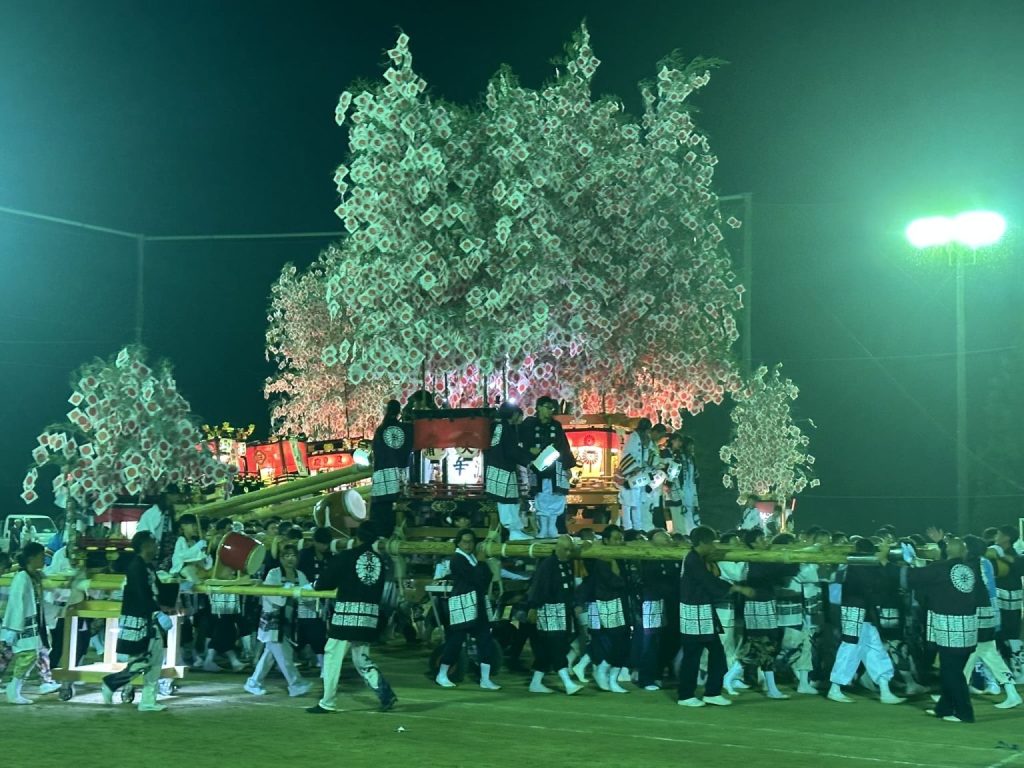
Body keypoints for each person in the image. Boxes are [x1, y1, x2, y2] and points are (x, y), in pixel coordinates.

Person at [307, 521, 397, 714]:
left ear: (356, 538)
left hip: (346, 617)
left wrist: (315, 584)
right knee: (361, 659)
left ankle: (327, 701)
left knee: (332, 655)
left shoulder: (346, 556)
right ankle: (385, 693)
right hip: (369, 617)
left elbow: (325, 583)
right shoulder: (380, 561)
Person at [677, 526, 756, 707]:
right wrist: (737, 587)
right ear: (703, 542)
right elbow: (708, 581)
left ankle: (711, 692)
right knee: (693, 655)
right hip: (694, 612)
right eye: (712, 542)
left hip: (703, 611)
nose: (714, 546)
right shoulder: (692, 560)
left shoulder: (696, 558)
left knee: (716, 653)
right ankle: (686, 695)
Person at [908, 536, 980, 723]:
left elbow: (912, 577)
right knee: (952, 670)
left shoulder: (939, 568)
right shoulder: (969, 568)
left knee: (951, 672)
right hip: (968, 629)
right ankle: (944, 708)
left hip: (949, 629)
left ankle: (964, 713)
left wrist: (885, 562)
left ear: (946, 551)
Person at [827, 538, 905, 705]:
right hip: (854, 609)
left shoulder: (858, 564)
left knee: (874, 648)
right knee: (850, 646)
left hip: (864, 611)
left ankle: (884, 689)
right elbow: (877, 585)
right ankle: (835, 687)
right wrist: (884, 562)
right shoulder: (857, 565)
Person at [100, 531, 172, 712]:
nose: (156, 546)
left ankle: (148, 700)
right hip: (142, 621)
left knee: (154, 660)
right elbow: (141, 594)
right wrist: (156, 613)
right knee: (144, 660)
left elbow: (156, 590)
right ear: (145, 545)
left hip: (147, 619)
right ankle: (112, 683)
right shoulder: (136, 567)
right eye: (153, 543)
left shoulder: (146, 566)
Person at [435, 529, 501, 690]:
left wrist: (481, 565)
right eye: (465, 541)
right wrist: (481, 563)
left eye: (471, 541)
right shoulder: (457, 560)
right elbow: (478, 578)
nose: (468, 545)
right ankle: (442, 674)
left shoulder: (471, 559)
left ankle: (485, 678)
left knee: (485, 640)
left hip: (477, 604)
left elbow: (486, 578)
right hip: (463, 604)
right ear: (458, 543)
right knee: (456, 641)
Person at [244, 544, 312, 697]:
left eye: (293, 556)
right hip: (273, 622)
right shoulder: (273, 574)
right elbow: (270, 595)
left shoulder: (300, 575)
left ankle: (253, 682)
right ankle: (296, 684)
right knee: (284, 655)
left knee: (270, 656)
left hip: (288, 622)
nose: (290, 559)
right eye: (286, 556)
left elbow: (307, 594)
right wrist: (287, 591)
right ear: (281, 558)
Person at [963, 536, 1020, 708]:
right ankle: (1011, 692)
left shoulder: (972, 565)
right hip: (989, 612)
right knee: (984, 653)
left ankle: (953, 693)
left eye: (964, 546)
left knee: (971, 652)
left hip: (980, 613)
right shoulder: (984, 562)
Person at [526, 535, 583, 695]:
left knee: (546, 649)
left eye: (570, 550)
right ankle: (567, 683)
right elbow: (539, 587)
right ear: (557, 548)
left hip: (562, 610)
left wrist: (574, 604)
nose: (568, 552)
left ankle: (535, 682)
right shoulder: (548, 565)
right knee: (557, 645)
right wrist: (534, 607)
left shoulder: (567, 563)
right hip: (548, 610)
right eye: (565, 549)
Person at [520, 397, 576, 540]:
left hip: (555, 465)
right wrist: (528, 449)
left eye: (551, 408)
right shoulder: (529, 424)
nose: (549, 411)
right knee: (541, 495)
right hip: (537, 466)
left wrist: (567, 466)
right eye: (547, 407)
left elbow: (563, 445)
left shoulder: (556, 425)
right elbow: (522, 441)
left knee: (556, 496)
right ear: (538, 407)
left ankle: (552, 527)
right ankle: (543, 528)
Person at [584, 525, 631, 693]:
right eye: (616, 539)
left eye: (621, 538)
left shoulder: (620, 557)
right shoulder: (602, 560)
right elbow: (616, 582)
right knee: (618, 640)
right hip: (609, 603)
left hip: (622, 603)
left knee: (625, 640)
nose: (620, 542)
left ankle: (612, 676)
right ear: (605, 540)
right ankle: (604, 670)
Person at [3, 542, 47, 704]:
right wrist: (14, 628)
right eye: (41, 557)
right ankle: (13, 689)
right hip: (22, 623)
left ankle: (14, 689)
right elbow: (16, 603)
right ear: (31, 558)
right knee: (27, 655)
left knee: (30, 655)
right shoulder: (22, 578)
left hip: (31, 622)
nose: (43, 560)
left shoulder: (34, 575)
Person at [484, 402, 534, 541]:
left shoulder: (498, 426)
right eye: (518, 415)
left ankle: (515, 530)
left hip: (497, 467)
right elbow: (512, 451)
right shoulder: (506, 428)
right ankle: (514, 531)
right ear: (513, 414)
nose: (520, 418)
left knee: (507, 501)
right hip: (504, 468)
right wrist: (528, 460)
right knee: (508, 501)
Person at [370, 399, 413, 537]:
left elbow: (376, 453)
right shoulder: (407, 429)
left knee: (382, 510)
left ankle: (382, 534)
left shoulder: (381, 429)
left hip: (384, 477)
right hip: (403, 476)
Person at [992, 525, 1024, 682]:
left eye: (998, 533)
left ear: (1006, 537)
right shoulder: (992, 552)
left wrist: (1001, 555)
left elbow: (1018, 564)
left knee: (1011, 635)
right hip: (998, 601)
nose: (995, 536)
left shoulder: (1016, 556)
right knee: (998, 635)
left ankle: (1018, 671)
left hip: (1011, 602)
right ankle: (1003, 671)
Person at [616, 419, 660, 532]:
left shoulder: (648, 440)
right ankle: (627, 527)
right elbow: (626, 454)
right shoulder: (633, 437)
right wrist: (633, 467)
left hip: (642, 475)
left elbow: (651, 455)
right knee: (627, 503)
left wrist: (651, 464)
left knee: (638, 502)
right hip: (629, 474)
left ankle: (638, 527)